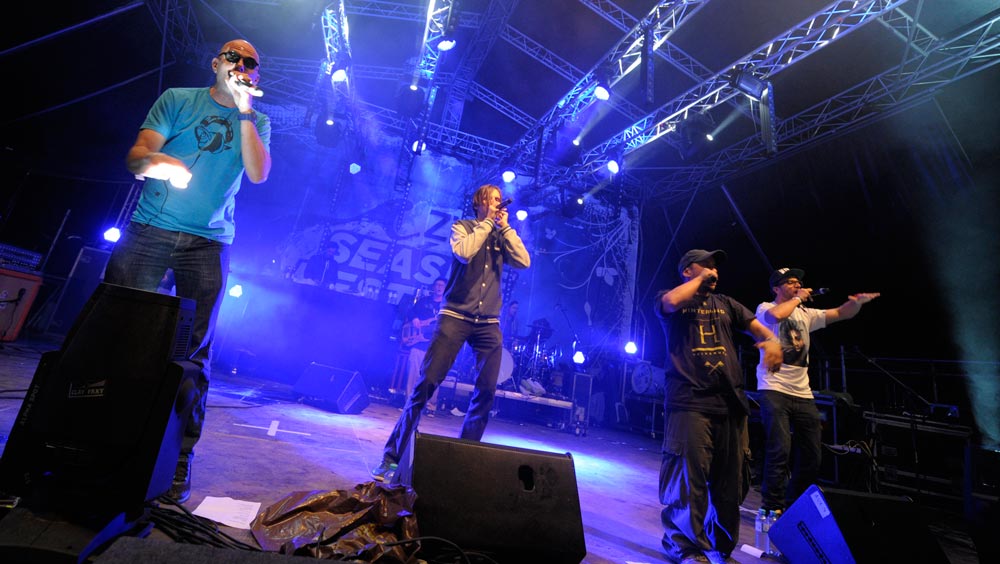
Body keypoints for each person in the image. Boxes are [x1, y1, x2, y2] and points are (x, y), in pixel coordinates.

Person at [103, 39, 271, 503]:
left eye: (251, 62)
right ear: (215, 63)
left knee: (193, 352)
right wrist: (157, 162)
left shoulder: (257, 120)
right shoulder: (178, 99)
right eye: (233, 56)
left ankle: (178, 455)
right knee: (118, 329)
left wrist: (244, 112)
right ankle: (101, 436)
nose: (241, 64)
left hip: (209, 242)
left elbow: (258, 173)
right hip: (150, 230)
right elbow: (137, 155)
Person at [371, 184, 531, 482]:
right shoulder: (463, 228)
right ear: (478, 203)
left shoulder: (502, 236)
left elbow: (524, 261)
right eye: (491, 199)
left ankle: (464, 458)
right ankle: (391, 457)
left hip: (488, 323)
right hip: (455, 316)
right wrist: (487, 224)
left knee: (487, 390)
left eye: (499, 200)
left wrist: (506, 228)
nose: (497, 204)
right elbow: (464, 253)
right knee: (427, 384)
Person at [655, 249, 782, 564]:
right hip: (690, 401)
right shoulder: (671, 299)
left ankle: (720, 547)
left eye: (715, 267)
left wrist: (771, 342)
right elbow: (670, 302)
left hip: (730, 404)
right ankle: (685, 547)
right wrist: (699, 280)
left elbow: (757, 327)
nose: (714, 271)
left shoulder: (726, 303)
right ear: (688, 270)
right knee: (689, 478)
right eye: (706, 265)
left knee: (731, 483)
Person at [755, 267, 880, 511]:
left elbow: (840, 313)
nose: (797, 285)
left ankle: (793, 505)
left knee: (812, 454)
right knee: (780, 450)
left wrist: (856, 303)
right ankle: (771, 507)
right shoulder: (765, 307)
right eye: (790, 282)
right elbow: (775, 317)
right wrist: (798, 299)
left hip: (803, 393)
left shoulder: (806, 314)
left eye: (798, 282)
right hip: (774, 388)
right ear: (776, 288)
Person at [403, 278, 446, 413]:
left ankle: (430, 406)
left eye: (442, 285)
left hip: (436, 345)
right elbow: (410, 311)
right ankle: (410, 403)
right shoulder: (424, 301)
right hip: (419, 344)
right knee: (413, 374)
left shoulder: (447, 306)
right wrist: (414, 318)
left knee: (433, 376)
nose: (439, 287)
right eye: (437, 285)